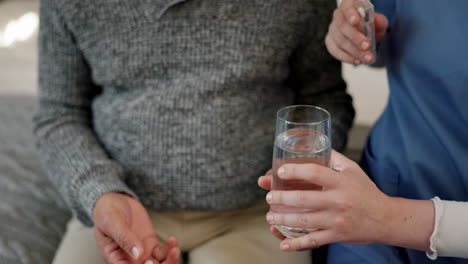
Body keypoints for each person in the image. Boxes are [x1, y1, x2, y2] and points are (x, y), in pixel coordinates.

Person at [33, 0, 355, 263]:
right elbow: (58, 114)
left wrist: (306, 173)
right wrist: (98, 192)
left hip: (258, 213)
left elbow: (324, 97)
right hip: (116, 209)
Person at [258, 0, 468, 263]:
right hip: (385, 185)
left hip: (387, 216)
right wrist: (362, 34)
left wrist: (385, 217)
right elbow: (399, 34)